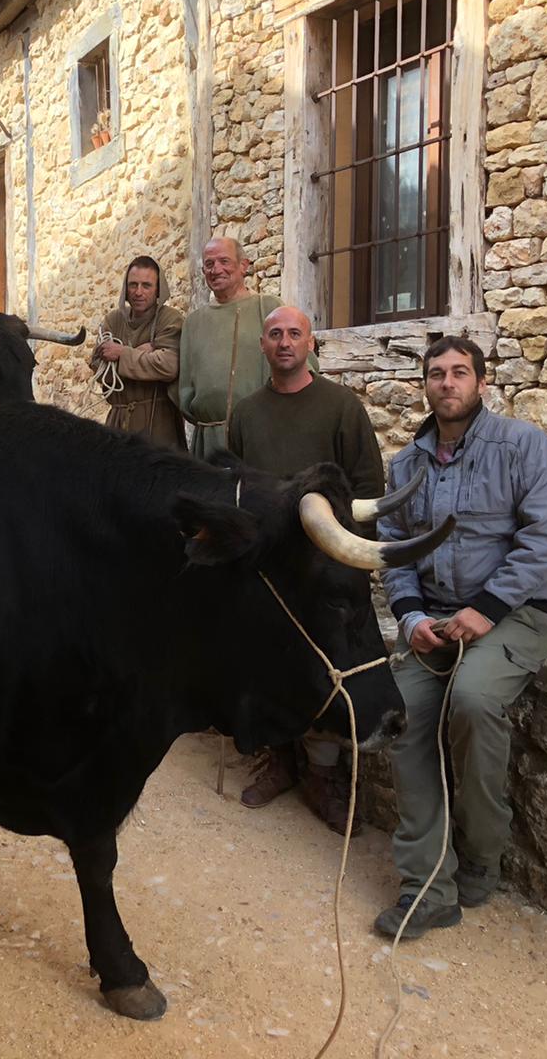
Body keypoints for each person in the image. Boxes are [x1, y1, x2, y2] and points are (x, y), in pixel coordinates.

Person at [373, 336, 547, 940]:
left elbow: (545, 540)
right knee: (399, 714)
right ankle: (427, 885)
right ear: (425, 386)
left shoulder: (523, 445)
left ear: (482, 382)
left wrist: (484, 610)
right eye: (437, 374)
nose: (447, 383)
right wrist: (409, 618)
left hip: (512, 616)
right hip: (433, 622)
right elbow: (394, 551)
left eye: (460, 372)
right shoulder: (406, 466)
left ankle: (483, 851)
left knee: (475, 702)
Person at [227, 305, 386, 831]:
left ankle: (322, 774)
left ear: (311, 344)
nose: (285, 342)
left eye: (295, 333)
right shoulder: (245, 413)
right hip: (269, 573)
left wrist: (345, 560)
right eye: (275, 334)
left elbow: (368, 488)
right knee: (269, 664)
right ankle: (279, 760)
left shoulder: (342, 406)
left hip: (324, 573)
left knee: (324, 670)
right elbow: (238, 489)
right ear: (263, 347)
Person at [177, 238, 289, 460]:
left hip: (262, 435)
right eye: (209, 264)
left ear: (243, 266)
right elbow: (185, 388)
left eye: (224, 261)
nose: (216, 269)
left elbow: (301, 367)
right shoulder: (193, 323)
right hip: (208, 444)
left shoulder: (270, 309)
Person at [87, 255, 185, 449]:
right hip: (119, 420)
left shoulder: (170, 319)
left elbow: (168, 365)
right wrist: (146, 352)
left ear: (158, 289)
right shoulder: (113, 320)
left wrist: (122, 353)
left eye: (146, 285)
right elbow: (98, 365)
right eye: (133, 285)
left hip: (159, 423)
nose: (138, 292)